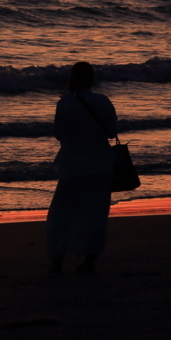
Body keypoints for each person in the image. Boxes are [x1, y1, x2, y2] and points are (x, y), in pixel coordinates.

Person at [47, 60, 117, 274]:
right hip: (100, 164)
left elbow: (58, 134)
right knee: (95, 213)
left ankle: (58, 260)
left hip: (72, 166)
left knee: (62, 213)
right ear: (92, 79)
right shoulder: (103, 101)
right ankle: (89, 261)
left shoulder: (65, 103)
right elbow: (111, 132)